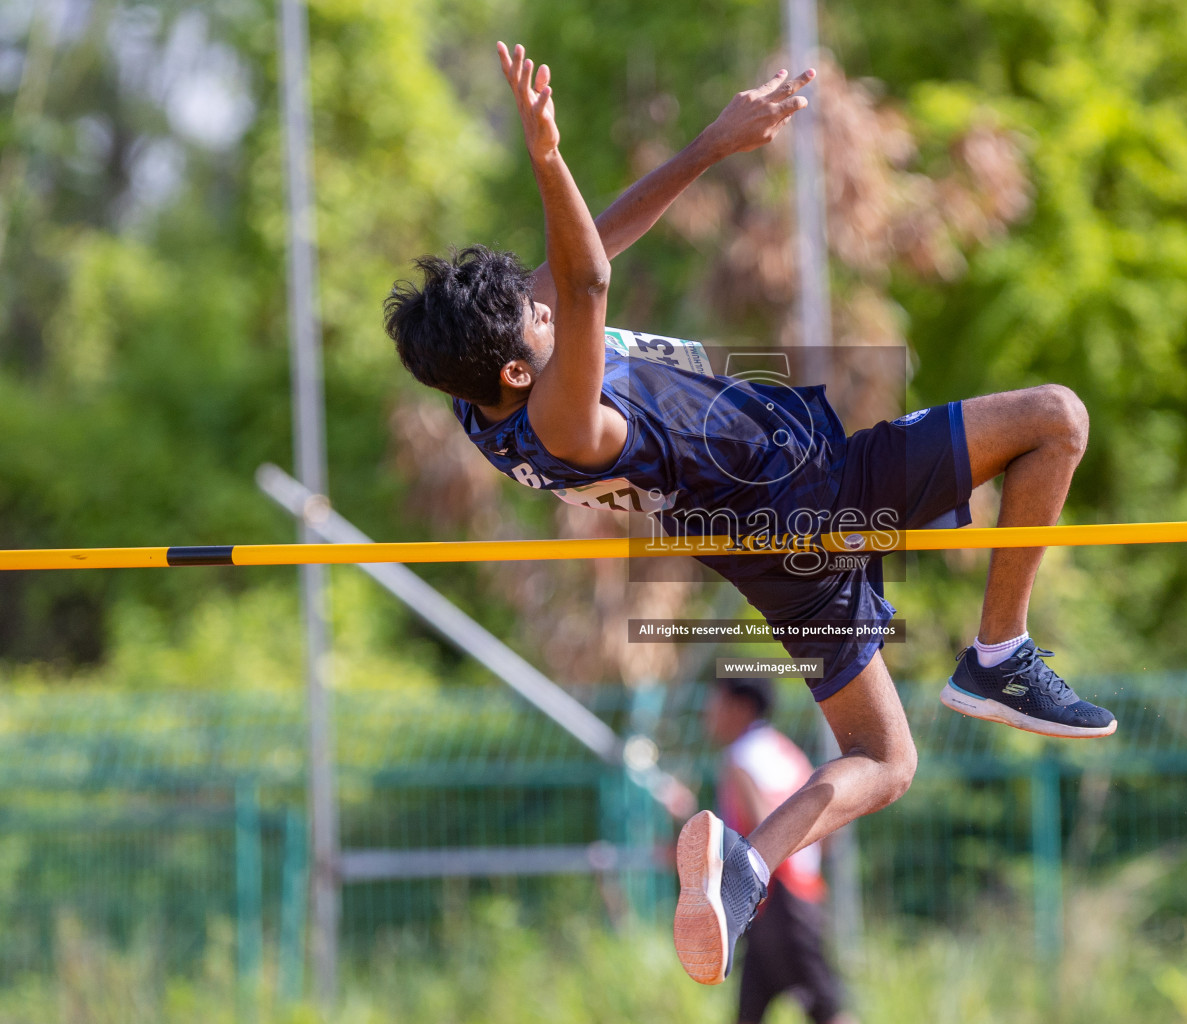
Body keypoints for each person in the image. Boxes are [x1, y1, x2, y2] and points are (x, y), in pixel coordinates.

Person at [384, 42, 1111, 985]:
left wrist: (709, 147)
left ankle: (746, 865)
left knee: (885, 760)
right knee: (1056, 420)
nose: (549, 305)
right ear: (520, 373)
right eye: (538, 319)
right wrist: (545, 153)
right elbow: (592, 278)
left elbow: (582, 261)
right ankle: (1000, 656)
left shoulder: (479, 386)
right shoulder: (563, 419)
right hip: (814, 494)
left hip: (762, 542)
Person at [705, 678, 855, 1024]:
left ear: (739, 708)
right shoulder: (784, 750)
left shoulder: (741, 758)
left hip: (775, 895)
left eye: (714, 702)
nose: (706, 713)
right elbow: (828, 823)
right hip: (794, 891)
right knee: (751, 1010)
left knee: (827, 1009)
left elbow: (763, 825)